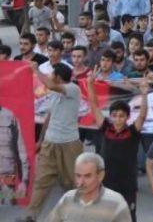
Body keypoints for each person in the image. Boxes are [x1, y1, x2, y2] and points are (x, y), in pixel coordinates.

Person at [87, 72, 149, 222]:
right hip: (106, 181)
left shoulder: (132, 132)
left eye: (121, 116)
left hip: (127, 183)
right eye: (114, 115)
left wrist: (144, 94)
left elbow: (142, 115)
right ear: (110, 116)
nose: (117, 119)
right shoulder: (105, 128)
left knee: (127, 215)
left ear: (127, 117)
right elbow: (94, 105)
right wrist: (90, 83)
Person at [25, 64, 84, 221]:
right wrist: (40, 140)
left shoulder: (73, 88)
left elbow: (49, 84)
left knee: (72, 182)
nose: (49, 76)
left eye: (52, 74)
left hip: (69, 144)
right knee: (41, 181)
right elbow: (50, 116)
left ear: (58, 77)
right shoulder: (54, 93)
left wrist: (36, 70)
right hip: (50, 143)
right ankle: (30, 216)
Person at [47, 152, 132, 222]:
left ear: (100, 175)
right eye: (78, 176)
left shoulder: (116, 202)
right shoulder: (67, 198)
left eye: (87, 176)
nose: (81, 182)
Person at [0, 105, 28, 205]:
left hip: (6, 175)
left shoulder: (9, 117)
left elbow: (21, 149)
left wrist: (24, 180)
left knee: (7, 208)